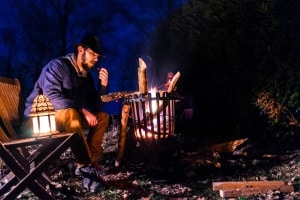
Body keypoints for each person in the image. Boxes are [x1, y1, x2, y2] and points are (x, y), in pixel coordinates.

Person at [22, 34, 109, 177]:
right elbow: (50, 97)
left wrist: (103, 86)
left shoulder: (87, 77)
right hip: (38, 119)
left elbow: (96, 108)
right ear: (81, 50)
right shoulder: (58, 66)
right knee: (71, 114)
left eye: (98, 56)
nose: (96, 58)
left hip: (66, 119)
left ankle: (88, 163)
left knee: (102, 117)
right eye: (93, 54)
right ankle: (86, 165)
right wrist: (81, 109)